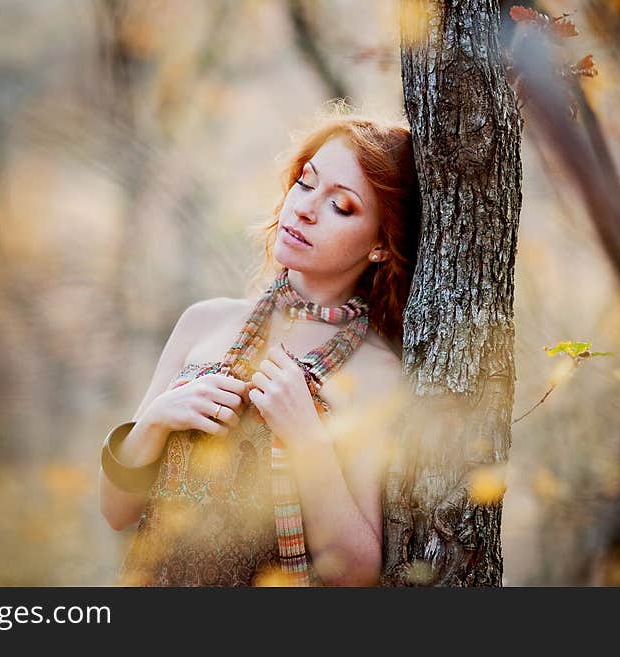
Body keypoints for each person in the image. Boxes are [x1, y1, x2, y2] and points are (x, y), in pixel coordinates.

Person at [98, 105, 420, 586]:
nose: (305, 208)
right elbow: (116, 511)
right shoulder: (204, 322)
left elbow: (356, 572)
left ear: (380, 243)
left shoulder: (378, 373)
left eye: (341, 205)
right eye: (306, 182)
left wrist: (308, 438)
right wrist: (156, 420)